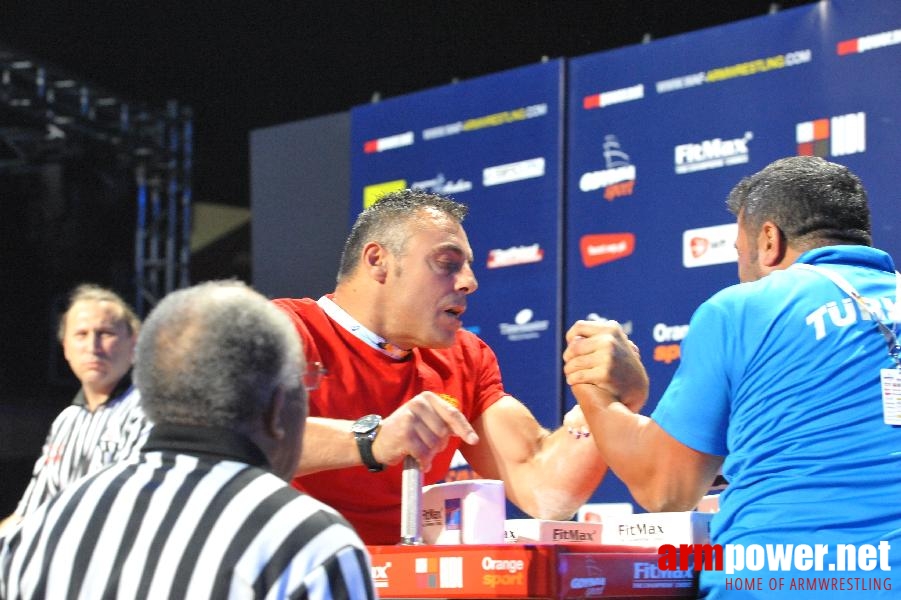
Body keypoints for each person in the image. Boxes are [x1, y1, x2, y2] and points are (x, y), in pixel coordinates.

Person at [563, 156, 901, 597]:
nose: (741, 272)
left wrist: (592, 386)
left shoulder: (743, 307)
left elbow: (665, 487)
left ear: (768, 241)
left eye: (739, 255)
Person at [273, 189, 628, 545]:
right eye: (447, 263)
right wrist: (373, 439)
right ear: (377, 260)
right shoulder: (281, 330)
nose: (469, 282)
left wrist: (607, 401)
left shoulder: (465, 357)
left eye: (469, 267)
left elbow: (544, 489)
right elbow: (230, 439)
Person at [0, 281, 375, 600]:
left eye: (106, 333)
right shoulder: (309, 540)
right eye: (305, 385)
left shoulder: (41, 530)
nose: (93, 346)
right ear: (278, 407)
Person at [0, 284, 149, 536]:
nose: (93, 346)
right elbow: (31, 511)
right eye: (81, 334)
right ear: (65, 348)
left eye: (106, 333)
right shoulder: (66, 422)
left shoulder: (149, 411)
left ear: (134, 342)